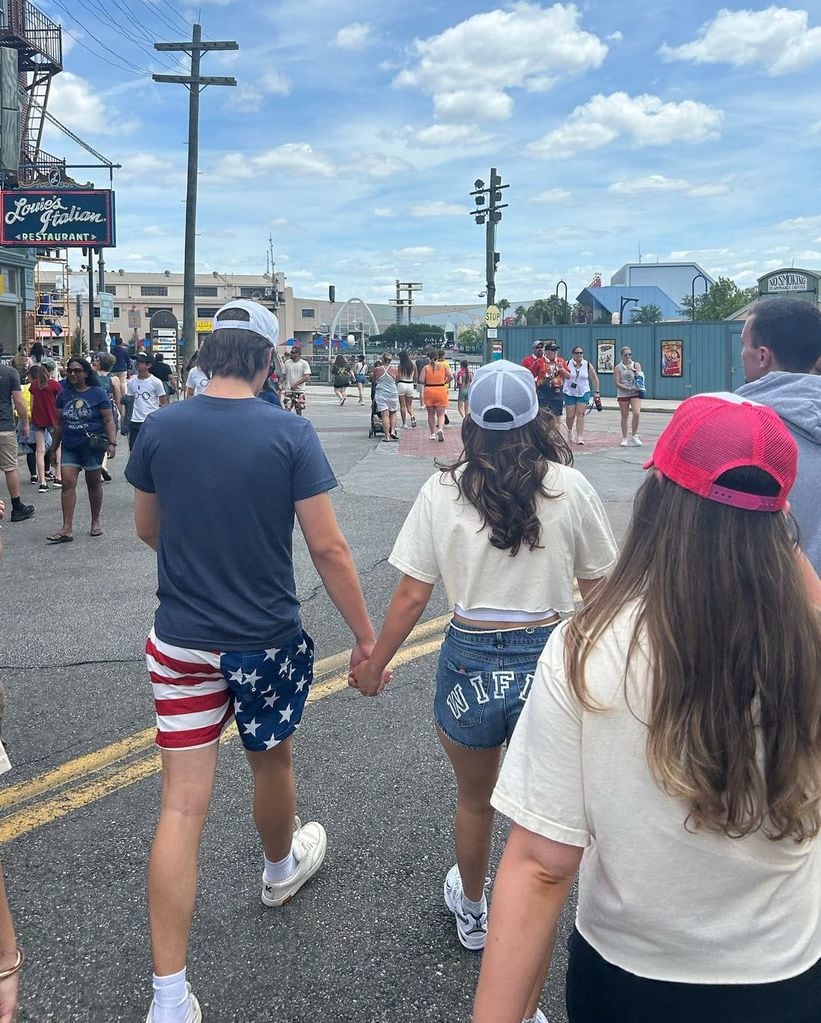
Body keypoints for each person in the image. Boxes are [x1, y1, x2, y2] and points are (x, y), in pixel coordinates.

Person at [473, 393, 821, 1023]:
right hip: (787, 975)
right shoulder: (808, 646)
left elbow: (542, 870)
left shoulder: (588, 648)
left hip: (629, 977)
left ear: (655, 499)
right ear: (782, 519)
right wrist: (768, 524)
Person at [124, 299, 382, 1023]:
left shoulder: (163, 427)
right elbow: (328, 549)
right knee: (271, 759)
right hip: (264, 638)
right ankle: (278, 868)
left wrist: (196, 566)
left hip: (180, 636)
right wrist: (364, 634)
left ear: (208, 357)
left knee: (180, 804)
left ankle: (169, 998)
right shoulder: (289, 431)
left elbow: (150, 527)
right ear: (269, 363)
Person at [351, 362, 617, 1014]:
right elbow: (601, 590)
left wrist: (373, 663)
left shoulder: (442, 491)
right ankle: (539, 929)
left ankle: (472, 909)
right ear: (535, 420)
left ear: (468, 420)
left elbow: (413, 592)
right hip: (547, 660)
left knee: (475, 801)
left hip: (468, 656)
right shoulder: (569, 487)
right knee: (545, 816)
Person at [736, 296, 821, 573]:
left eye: (743, 345)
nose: (741, 355)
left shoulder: (735, 432)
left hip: (767, 610)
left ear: (762, 356)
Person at [47, 357, 117, 544]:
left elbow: (108, 419)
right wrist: (53, 449)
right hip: (70, 445)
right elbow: (59, 424)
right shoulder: (63, 395)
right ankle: (67, 528)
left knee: (93, 483)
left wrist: (112, 442)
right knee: (68, 483)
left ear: (86, 373)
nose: (72, 374)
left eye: (77, 371)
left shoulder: (98, 394)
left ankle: (95, 521)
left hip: (92, 446)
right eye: (70, 370)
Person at [0, 361, 34, 523]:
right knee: (10, 467)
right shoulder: (10, 373)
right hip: (4, 426)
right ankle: (16, 507)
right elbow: (19, 401)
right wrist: (25, 423)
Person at [124, 354, 168, 452]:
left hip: (150, 419)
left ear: (148, 365)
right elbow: (131, 400)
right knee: (134, 449)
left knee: (150, 448)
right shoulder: (131, 382)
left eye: (140, 362)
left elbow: (163, 401)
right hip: (135, 420)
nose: (137, 363)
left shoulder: (156, 382)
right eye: (136, 361)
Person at [28, 364, 61, 492]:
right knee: (57, 447)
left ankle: (42, 482)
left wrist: (32, 417)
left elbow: (31, 403)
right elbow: (60, 401)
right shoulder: (54, 385)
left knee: (39, 450)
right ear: (51, 371)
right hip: (53, 419)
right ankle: (58, 477)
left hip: (38, 419)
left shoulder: (34, 385)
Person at [563, 346, 600, 445]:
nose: (579, 355)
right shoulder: (567, 363)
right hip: (569, 392)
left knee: (580, 414)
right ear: (573, 354)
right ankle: (570, 431)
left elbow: (594, 378)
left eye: (581, 353)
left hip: (583, 391)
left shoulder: (587, 364)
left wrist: (596, 392)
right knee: (570, 415)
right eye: (577, 353)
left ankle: (580, 436)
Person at [97, 354, 123, 483]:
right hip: (109, 409)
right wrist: (121, 414)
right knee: (109, 437)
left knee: (98, 436)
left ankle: (98, 465)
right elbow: (118, 398)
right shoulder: (114, 379)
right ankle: (103, 464)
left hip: (95, 410)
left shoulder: (93, 377)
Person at [420, 349, 452, 441]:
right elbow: (451, 377)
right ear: (438, 357)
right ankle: (441, 429)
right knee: (441, 414)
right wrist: (444, 382)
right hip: (441, 389)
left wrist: (429, 381)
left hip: (429, 390)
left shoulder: (426, 368)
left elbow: (421, 380)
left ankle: (432, 433)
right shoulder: (443, 366)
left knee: (431, 414)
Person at [614, 345, 642, 446]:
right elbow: (617, 382)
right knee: (624, 415)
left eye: (630, 354)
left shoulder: (636, 364)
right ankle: (625, 437)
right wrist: (627, 388)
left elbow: (640, 376)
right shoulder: (618, 368)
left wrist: (634, 370)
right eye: (626, 355)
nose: (628, 357)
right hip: (623, 392)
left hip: (635, 391)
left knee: (636, 412)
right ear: (621, 356)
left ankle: (634, 435)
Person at [372, 352, 399, 442]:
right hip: (392, 393)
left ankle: (387, 436)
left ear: (382, 359)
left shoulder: (377, 369)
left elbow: (374, 380)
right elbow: (397, 380)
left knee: (385, 415)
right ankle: (393, 431)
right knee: (393, 413)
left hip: (381, 394)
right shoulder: (395, 369)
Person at [540, 342, 569, 418]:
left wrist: (561, 369)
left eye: (556, 350)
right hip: (544, 393)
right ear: (546, 352)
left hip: (557, 393)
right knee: (544, 416)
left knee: (557, 415)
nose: (555, 352)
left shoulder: (561, 361)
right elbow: (531, 374)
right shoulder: (539, 362)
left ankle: (556, 430)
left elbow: (568, 376)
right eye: (552, 350)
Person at [282, 346, 311, 414]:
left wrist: (296, 384)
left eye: (293, 352)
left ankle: (298, 422)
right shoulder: (287, 363)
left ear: (298, 354)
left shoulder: (304, 363)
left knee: (298, 409)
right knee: (287, 408)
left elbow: (307, 377)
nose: (291, 354)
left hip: (299, 390)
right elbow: (284, 375)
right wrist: (280, 383)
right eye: (291, 352)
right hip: (288, 390)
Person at [396, 351, 417, 428]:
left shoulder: (400, 366)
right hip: (410, 384)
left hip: (402, 384)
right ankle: (412, 416)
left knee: (402, 405)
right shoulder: (413, 365)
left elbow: (398, 377)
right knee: (409, 405)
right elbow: (415, 377)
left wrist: (396, 383)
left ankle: (404, 423)